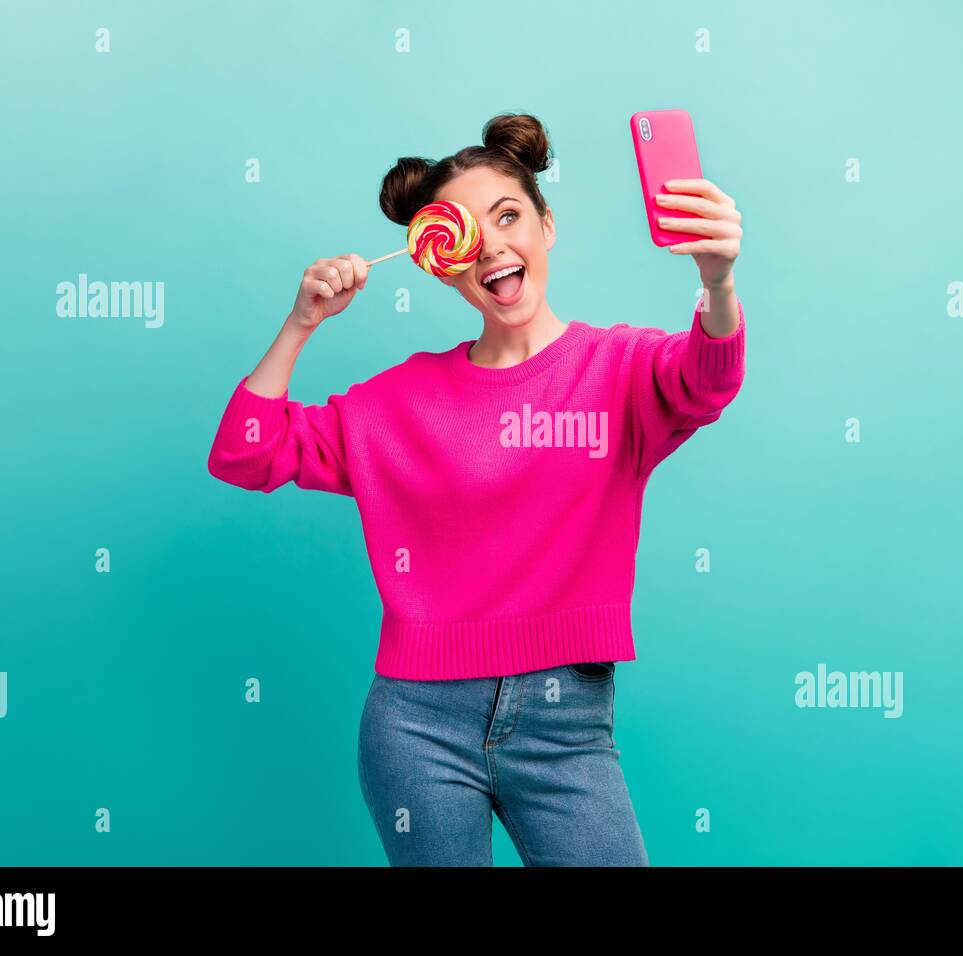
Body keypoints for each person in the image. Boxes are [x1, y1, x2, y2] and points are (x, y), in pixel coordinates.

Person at [207, 112, 746, 865]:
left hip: (570, 724)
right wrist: (301, 325)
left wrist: (717, 283)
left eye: (509, 215)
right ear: (441, 260)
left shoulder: (620, 369)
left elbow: (708, 380)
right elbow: (244, 455)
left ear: (546, 226)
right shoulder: (396, 402)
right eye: (467, 230)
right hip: (416, 725)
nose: (492, 244)